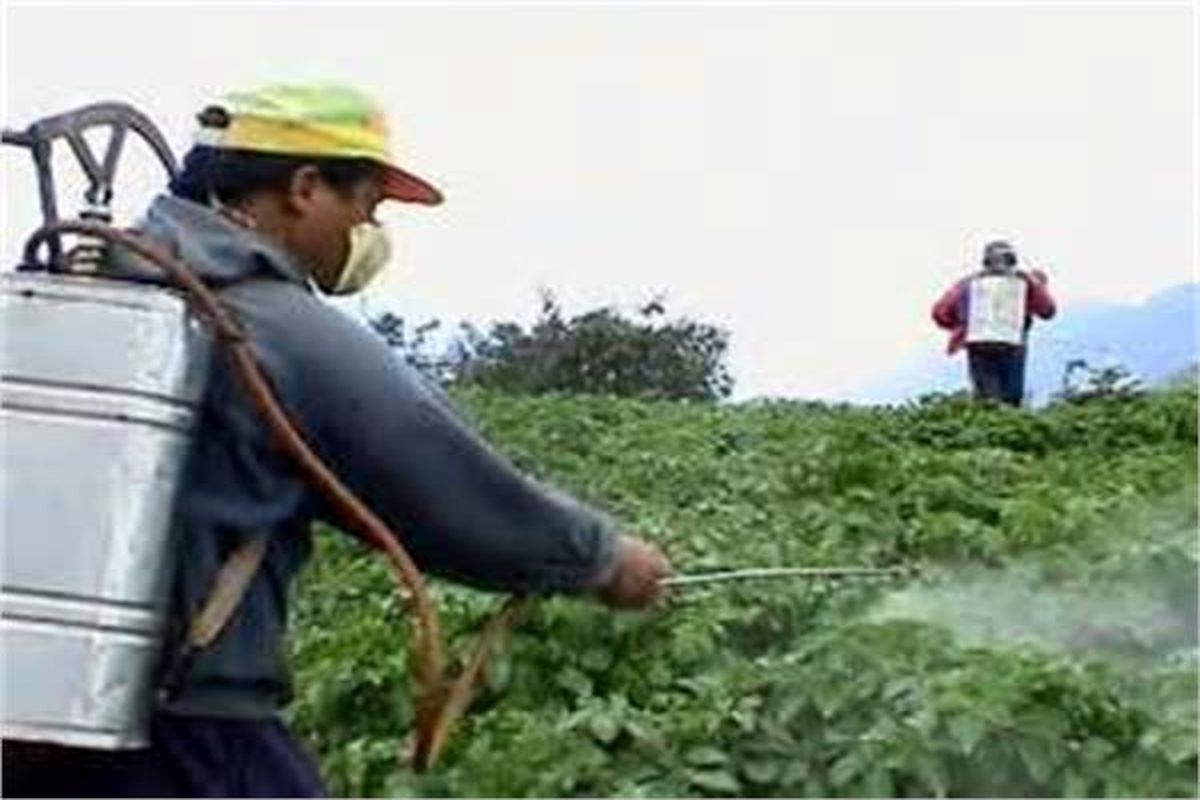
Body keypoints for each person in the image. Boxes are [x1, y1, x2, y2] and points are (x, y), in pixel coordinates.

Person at [1, 84, 671, 798]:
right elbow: (440, 481)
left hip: (39, 721)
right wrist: (601, 558)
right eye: (367, 207)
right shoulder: (273, 324)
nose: (370, 232)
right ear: (305, 187)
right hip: (187, 735)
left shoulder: (101, 286)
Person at [931, 240, 1057, 406]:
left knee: (989, 398)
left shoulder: (968, 284)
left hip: (980, 344)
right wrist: (1035, 283)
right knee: (1010, 396)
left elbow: (940, 312)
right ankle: (1005, 426)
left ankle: (991, 426)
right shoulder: (1024, 283)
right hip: (1013, 345)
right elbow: (1047, 310)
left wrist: (963, 325)